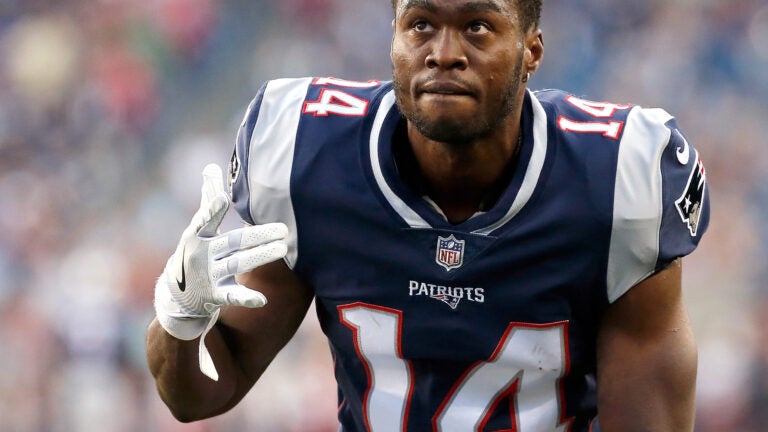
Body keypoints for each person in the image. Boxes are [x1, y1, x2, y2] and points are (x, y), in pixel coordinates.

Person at [146, 0, 710, 430]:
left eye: (477, 27)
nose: (444, 52)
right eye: (420, 24)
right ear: (392, 40)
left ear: (532, 50)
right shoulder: (307, 157)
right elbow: (202, 395)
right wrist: (179, 319)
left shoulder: (618, 183)